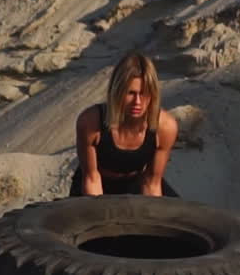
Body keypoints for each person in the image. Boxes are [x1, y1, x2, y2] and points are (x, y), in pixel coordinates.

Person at [70, 52, 179, 197]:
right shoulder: (90, 122)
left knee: (179, 215)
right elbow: (91, 179)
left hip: (137, 184)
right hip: (97, 184)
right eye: (130, 93)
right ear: (117, 92)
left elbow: (151, 183)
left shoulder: (166, 127)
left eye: (144, 93)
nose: (137, 102)